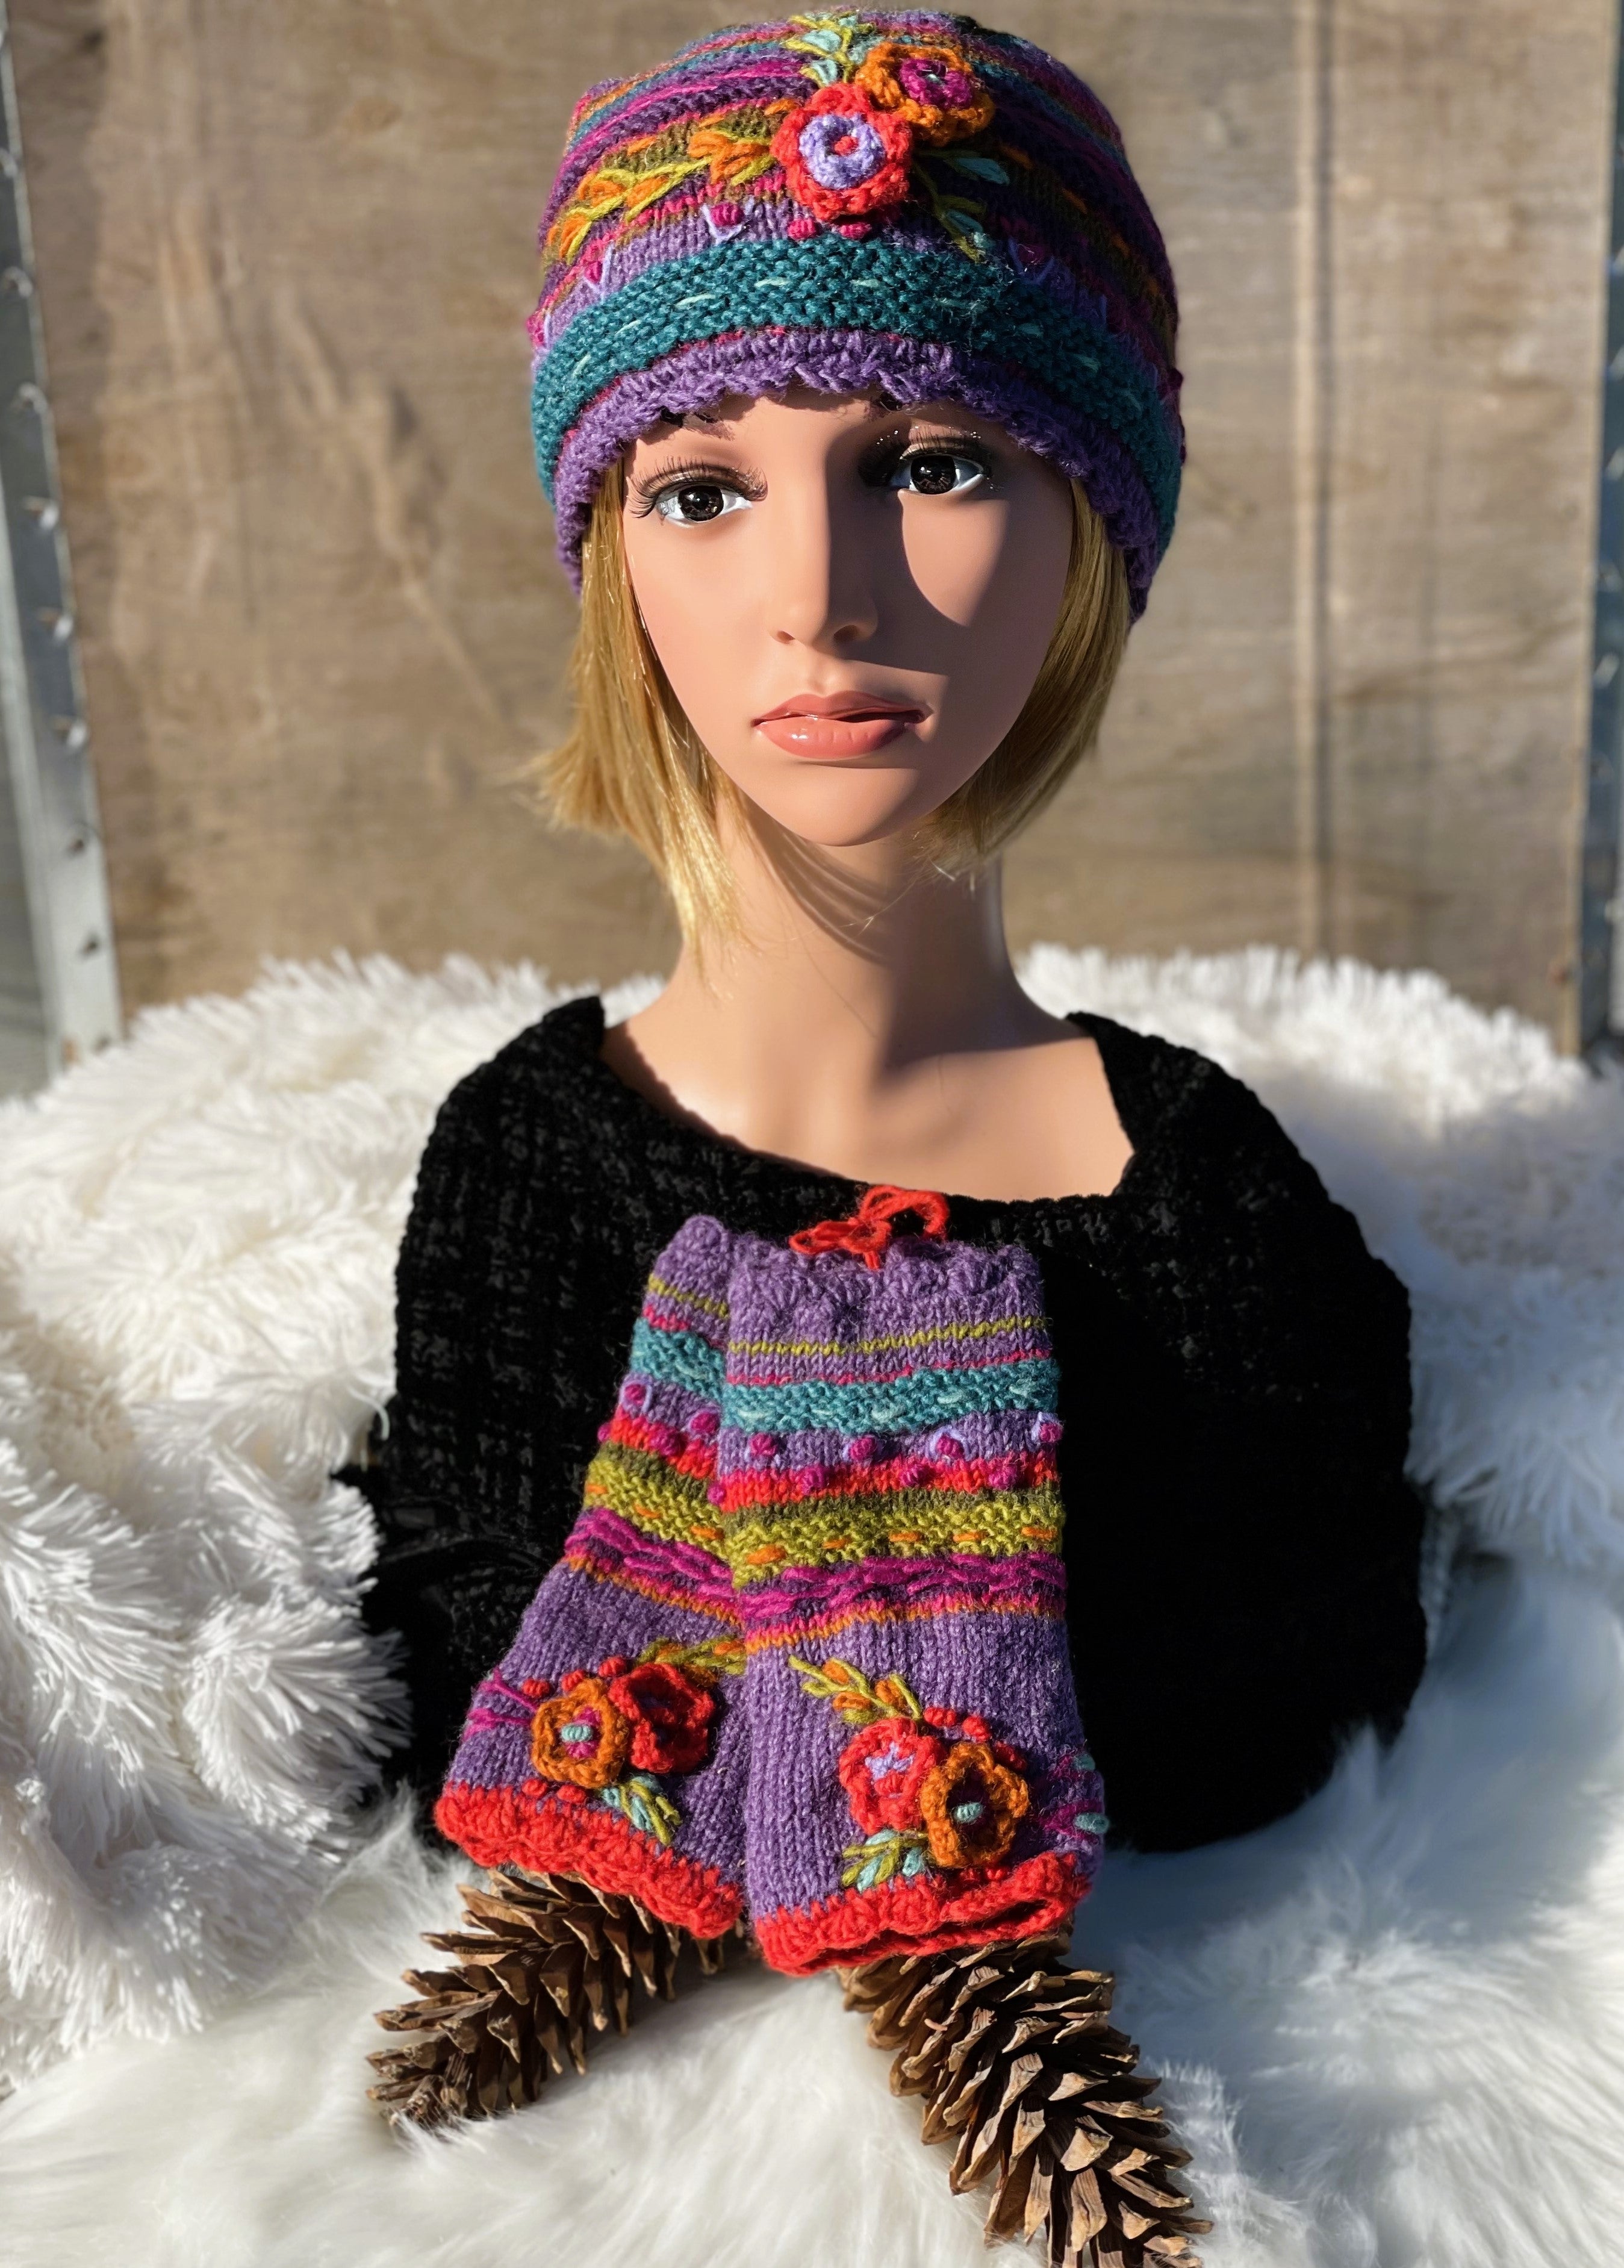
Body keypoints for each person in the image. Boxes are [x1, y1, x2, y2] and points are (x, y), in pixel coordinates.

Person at [353, 7, 1426, 1866]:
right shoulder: (529, 1177)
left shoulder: (1209, 1207)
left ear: (1086, 526)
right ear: (613, 567)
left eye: (929, 465)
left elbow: (1290, 1721)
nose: (818, 600)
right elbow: (467, 1714)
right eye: (701, 493)